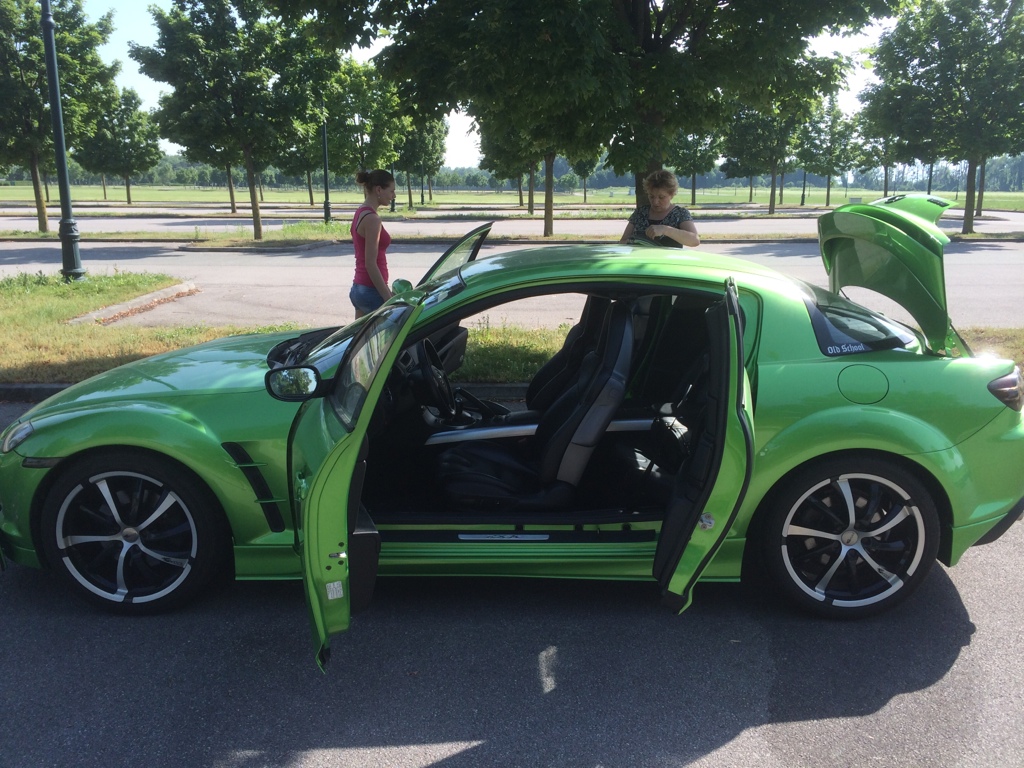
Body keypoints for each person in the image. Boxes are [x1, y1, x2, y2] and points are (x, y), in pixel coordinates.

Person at [350, 169, 397, 317]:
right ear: (378, 190)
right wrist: (388, 298)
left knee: (361, 333)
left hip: (359, 288)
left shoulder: (361, 212)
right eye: (391, 191)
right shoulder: (372, 219)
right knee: (397, 328)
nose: (394, 196)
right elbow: (370, 263)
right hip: (370, 290)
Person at [619, 169, 700, 248]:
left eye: (661, 197)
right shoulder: (640, 212)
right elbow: (622, 241)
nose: (655, 202)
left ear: (672, 195)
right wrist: (635, 242)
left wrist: (666, 230)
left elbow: (695, 240)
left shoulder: (680, 214)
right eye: (651, 196)